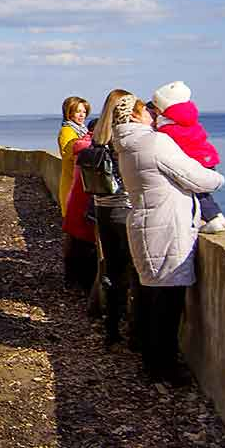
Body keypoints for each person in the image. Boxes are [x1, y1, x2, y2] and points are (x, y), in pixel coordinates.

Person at [113, 95, 224, 384]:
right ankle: (163, 367)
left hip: (144, 224)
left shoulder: (125, 144)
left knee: (151, 297)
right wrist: (217, 178)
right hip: (165, 229)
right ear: (136, 116)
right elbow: (195, 177)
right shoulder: (155, 143)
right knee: (168, 302)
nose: (152, 113)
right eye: (145, 109)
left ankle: (151, 361)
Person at [86, 89, 139, 346]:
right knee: (136, 272)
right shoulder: (127, 137)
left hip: (102, 208)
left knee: (113, 270)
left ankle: (111, 328)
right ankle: (135, 329)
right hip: (125, 208)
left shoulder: (98, 135)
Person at [152, 81, 225, 233]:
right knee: (202, 192)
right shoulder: (186, 118)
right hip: (205, 156)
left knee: (197, 191)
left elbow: (168, 141)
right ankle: (216, 216)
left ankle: (213, 218)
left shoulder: (168, 126)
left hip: (194, 159)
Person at [62, 118, 98, 292]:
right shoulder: (94, 150)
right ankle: (84, 286)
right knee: (87, 248)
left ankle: (72, 281)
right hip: (88, 203)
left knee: (76, 244)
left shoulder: (81, 146)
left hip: (75, 200)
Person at [57, 96, 90, 216]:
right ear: (69, 113)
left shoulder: (81, 130)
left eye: (84, 112)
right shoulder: (67, 131)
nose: (82, 115)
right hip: (72, 182)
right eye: (78, 112)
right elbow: (69, 153)